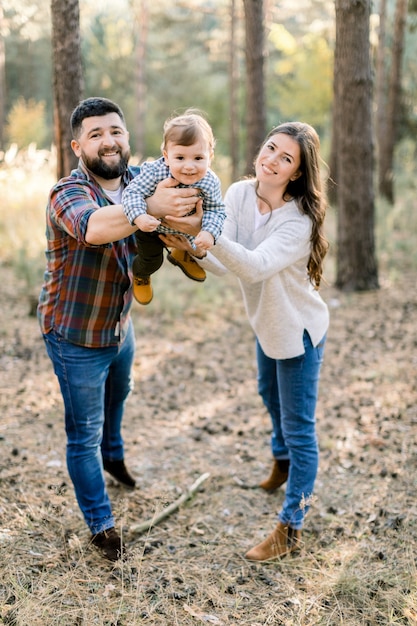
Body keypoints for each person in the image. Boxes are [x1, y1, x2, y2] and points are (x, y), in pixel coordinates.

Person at [37, 97, 202, 562]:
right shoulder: (66, 193)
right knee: (82, 430)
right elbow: (92, 228)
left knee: (121, 391)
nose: (108, 141)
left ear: (127, 137)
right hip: (74, 333)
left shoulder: (139, 181)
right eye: (95, 134)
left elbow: (178, 221)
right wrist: (151, 207)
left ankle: (115, 454)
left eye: (115, 131)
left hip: (118, 323)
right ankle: (101, 524)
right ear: (77, 146)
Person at [161, 121, 329, 561]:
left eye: (285, 158)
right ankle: (281, 461)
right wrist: (192, 242)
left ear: (296, 172)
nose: (271, 160)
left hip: (298, 332)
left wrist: (204, 232)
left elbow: (252, 266)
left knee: (300, 430)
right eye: (270, 148)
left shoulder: (300, 221)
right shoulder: (236, 194)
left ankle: (292, 525)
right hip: (266, 324)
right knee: (266, 395)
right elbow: (222, 264)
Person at [122, 109, 226, 304]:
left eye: (198, 158)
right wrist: (139, 217)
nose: (189, 166)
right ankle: (141, 273)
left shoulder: (210, 182)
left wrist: (209, 232)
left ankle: (181, 254)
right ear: (166, 156)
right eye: (180, 158)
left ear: (210, 156)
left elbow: (216, 210)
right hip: (151, 228)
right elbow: (132, 192)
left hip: (184, 230)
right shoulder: (155, 172)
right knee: (152, 260)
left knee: (196, 243)